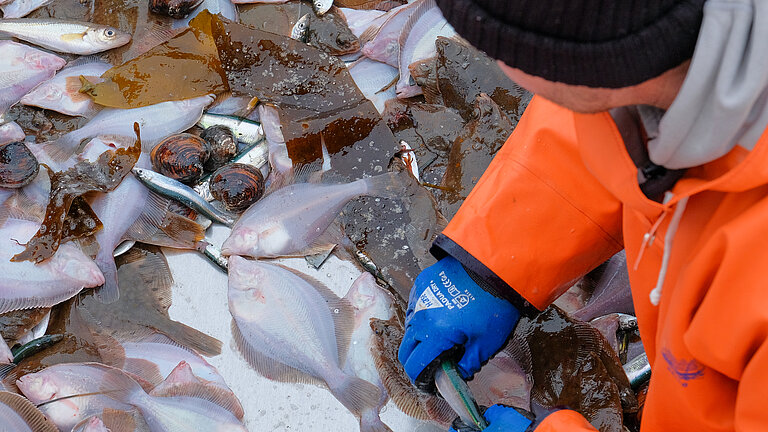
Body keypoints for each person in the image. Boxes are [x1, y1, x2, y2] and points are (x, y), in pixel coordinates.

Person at [397, 0, 768, 430]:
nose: (498, 61)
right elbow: (597, 116)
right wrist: (491, 263)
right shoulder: (665, 62)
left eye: (511, 52)